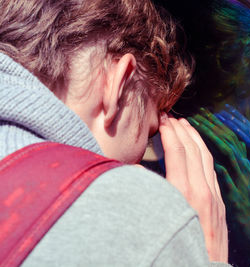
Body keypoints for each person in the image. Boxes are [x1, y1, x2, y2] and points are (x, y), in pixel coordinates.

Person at [0, 0, 230, 266]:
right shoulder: (130, 219)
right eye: (147, 137)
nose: (140, 166)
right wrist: (202, 252)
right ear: (120, 87)